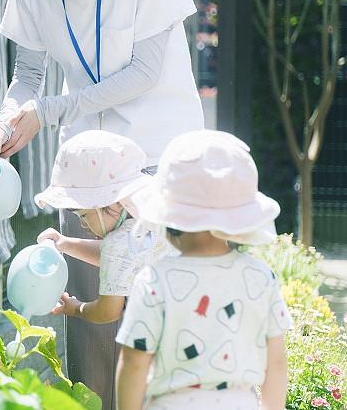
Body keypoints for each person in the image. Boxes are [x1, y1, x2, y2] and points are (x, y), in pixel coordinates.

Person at [0, 0, 204, 406]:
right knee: (94, 329)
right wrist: (4, 126)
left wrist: (47, 112)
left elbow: (145, 71)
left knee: (166, 323)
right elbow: (26, 74)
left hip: (156, 161)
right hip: (86, 172)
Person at [116, 130, 291, 410]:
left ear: (169, 218)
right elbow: (276, 361)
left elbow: (135, 362)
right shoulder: (261, 277)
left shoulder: (153, 280)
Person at [34, 131, 174, 326]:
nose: (83, 224)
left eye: (84, 215)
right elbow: (124, 258)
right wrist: (65, 243)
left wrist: (75, 308)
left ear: (110, 202)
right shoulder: (164, 210)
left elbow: (107, 311)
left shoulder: (119, 244)